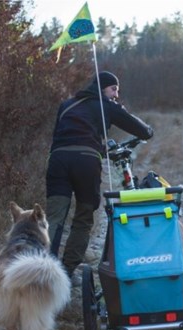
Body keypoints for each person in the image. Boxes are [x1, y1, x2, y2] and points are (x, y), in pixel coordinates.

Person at [45, 70, 154, 280]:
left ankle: (44, 271)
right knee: (84, 218)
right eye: (114, 89)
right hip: (86, 162)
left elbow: (66, 135)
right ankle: (65, 274)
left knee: (54, 218)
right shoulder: (106, 106)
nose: (116, 94)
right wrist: (148, 131)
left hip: (57, 160)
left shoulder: (66, 105)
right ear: (103, 87)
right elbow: (139, 129)